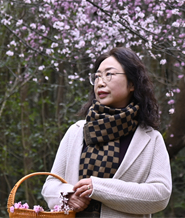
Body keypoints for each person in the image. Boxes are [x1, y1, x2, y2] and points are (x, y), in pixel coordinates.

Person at [42, 47, 172, 218]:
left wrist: (99, 188)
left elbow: (160, 196)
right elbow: (51, 184)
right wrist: (67, 196)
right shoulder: (76, 132)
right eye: (97, 76)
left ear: (132, 83)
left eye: (109, 74)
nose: (100, 82)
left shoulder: (150, 139)